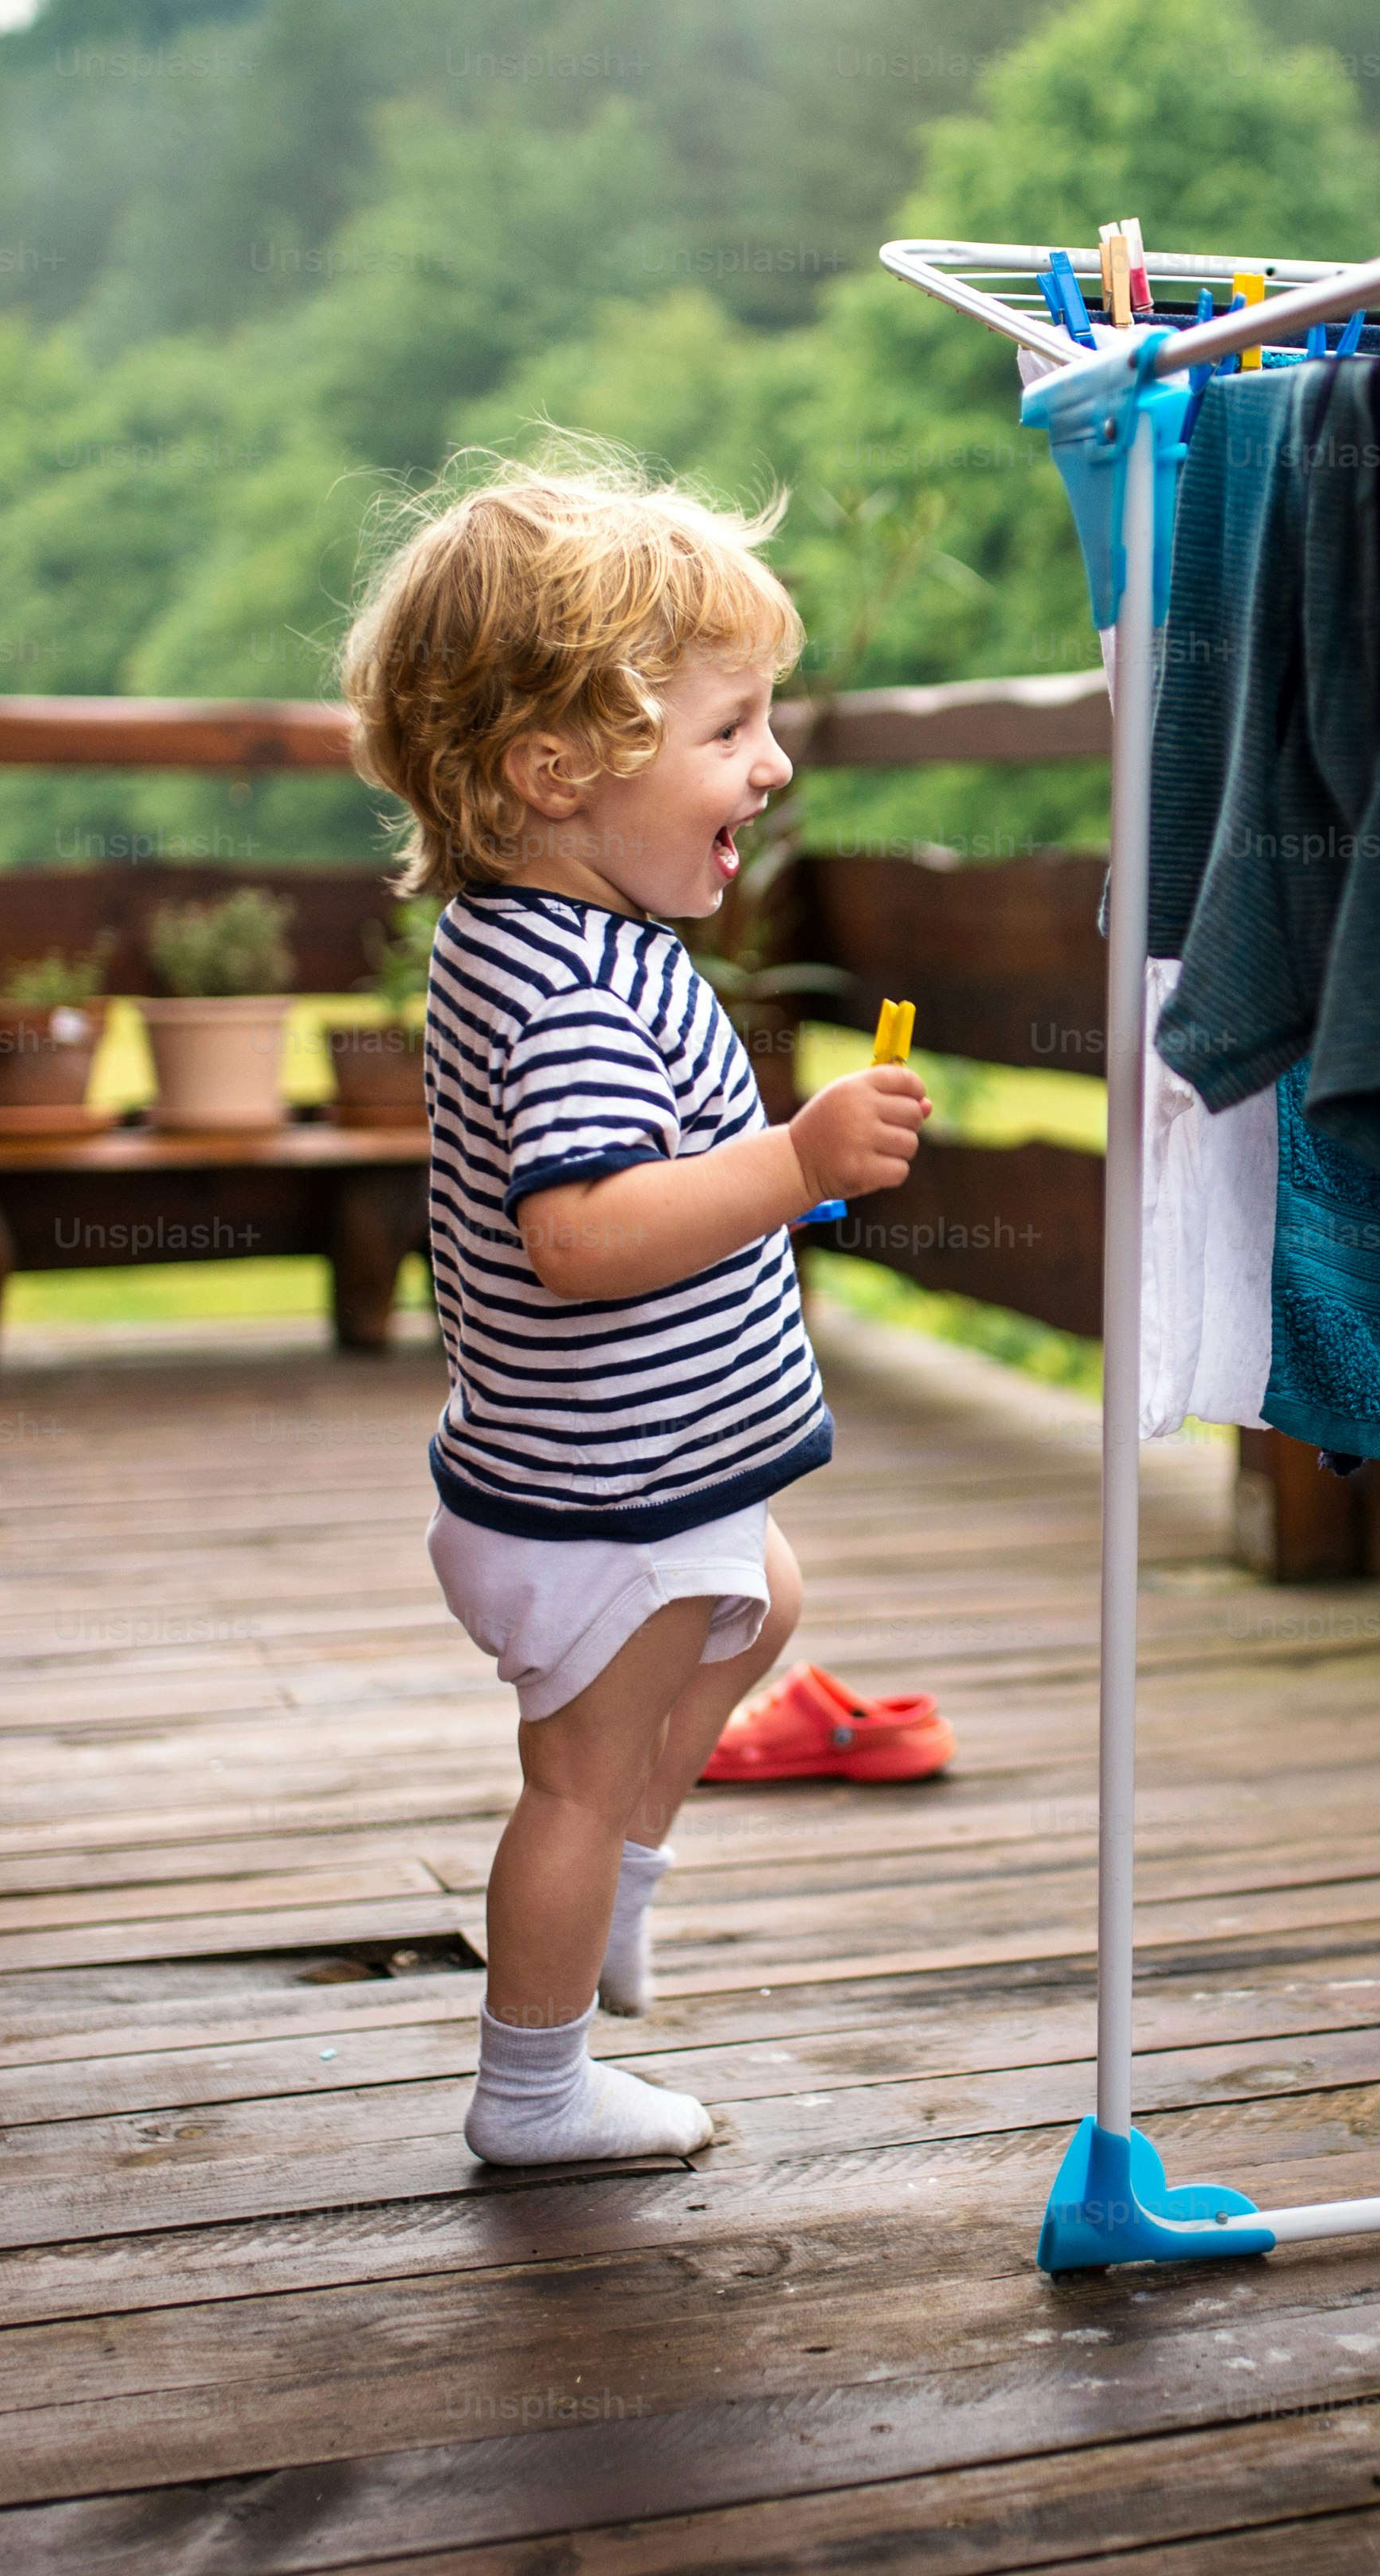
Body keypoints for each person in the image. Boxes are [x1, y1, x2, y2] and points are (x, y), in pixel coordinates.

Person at [343, 452, 932, 2166]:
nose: (775, 760)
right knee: (575, 1785)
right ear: (555, 772)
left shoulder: (541, 934)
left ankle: (610, 1907)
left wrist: (774, 1167)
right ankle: (534, 2085)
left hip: (607, 1479)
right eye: (730, 727)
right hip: (598, 1500)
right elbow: (583, 1237)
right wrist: (794, 1158)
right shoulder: (575, 984)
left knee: (765, 1596)